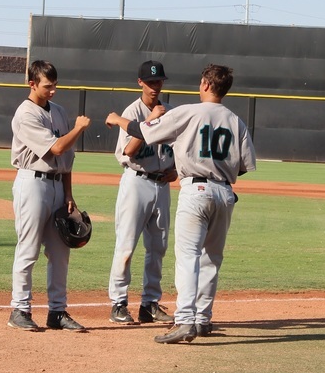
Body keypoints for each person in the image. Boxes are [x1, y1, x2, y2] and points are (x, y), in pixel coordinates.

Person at [105, 64, 256, 344]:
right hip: (224, 192)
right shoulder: (236, 120)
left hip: (195, 190)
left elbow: (143, 130)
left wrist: (116, 120)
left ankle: (186, 320)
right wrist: (219, 171)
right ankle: (202, 319)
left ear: (207, 85)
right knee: (212, 260)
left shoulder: (188, 111)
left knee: (188, 257)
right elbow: (245, 165)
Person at [7, 60, 91, 332]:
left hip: (57, 186)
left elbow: (67, 157)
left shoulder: (59, 112)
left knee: (60, 252)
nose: (53, 90)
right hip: (32, 183)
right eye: (47, 86)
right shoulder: (25, 114)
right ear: (32, 84)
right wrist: (77, 128)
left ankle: (57, 311)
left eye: (55, 85)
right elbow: (56, 148)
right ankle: (20, 309)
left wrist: (69, 193)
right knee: (28, 248)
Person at [108, 60, 176, 325]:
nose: (155, 86)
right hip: (136, 182)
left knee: (158, 248)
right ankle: (118, 303)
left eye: (159, 81)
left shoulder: (170, 111)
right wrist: (148, 122)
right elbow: (128, 151)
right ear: (140, 83)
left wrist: (177, 171)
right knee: (126, 245)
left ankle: (149, 304)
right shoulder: (133, 111)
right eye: (150, 82)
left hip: (162, 184)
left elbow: (181, 148)